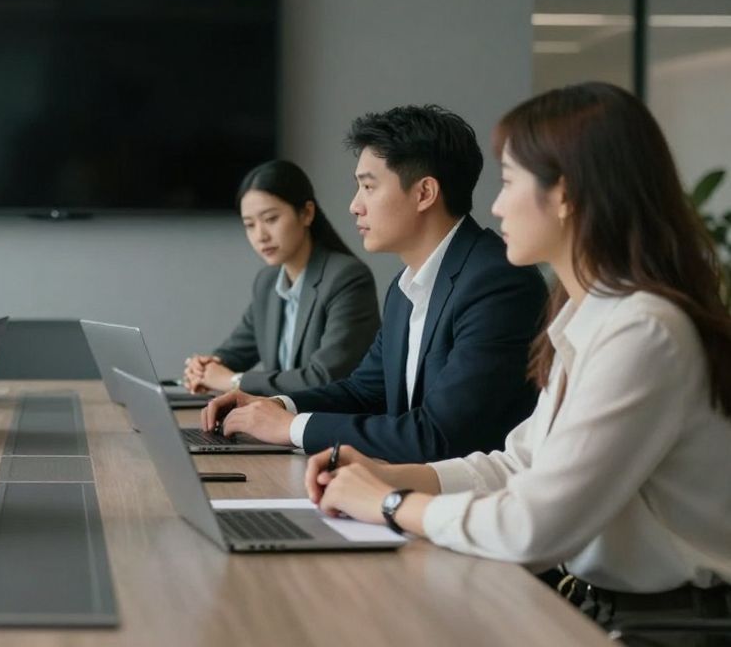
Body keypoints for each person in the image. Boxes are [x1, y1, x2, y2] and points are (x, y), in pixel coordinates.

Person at [307, 83, 731, 639]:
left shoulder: (644, 331)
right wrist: (392, 474)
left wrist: (389, 503)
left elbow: (534, 526)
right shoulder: (590, 315)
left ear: (566, 194)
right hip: (596, 608)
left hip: (663, 630)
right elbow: (517, 465)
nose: (497, 205)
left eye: (509, 183)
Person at [201, 105, 548, 462]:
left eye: (368, 186)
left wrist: (289, 427)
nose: (354, 206)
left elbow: (439, 436)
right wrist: (274, 405)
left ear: (424, 193)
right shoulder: (404, 287)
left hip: (467, 505)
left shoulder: (497, 281)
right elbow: (365, 391)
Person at [183, 160, 380, 396]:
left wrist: (233, 381)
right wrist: (207, 366)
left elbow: (324, 378)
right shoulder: (267, 282)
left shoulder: (346, 278)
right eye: (249, 225)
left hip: (328, 427)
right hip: (276, 425)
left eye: (270, 219)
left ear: (307, 213)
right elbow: (236, 352)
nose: (260, 235)